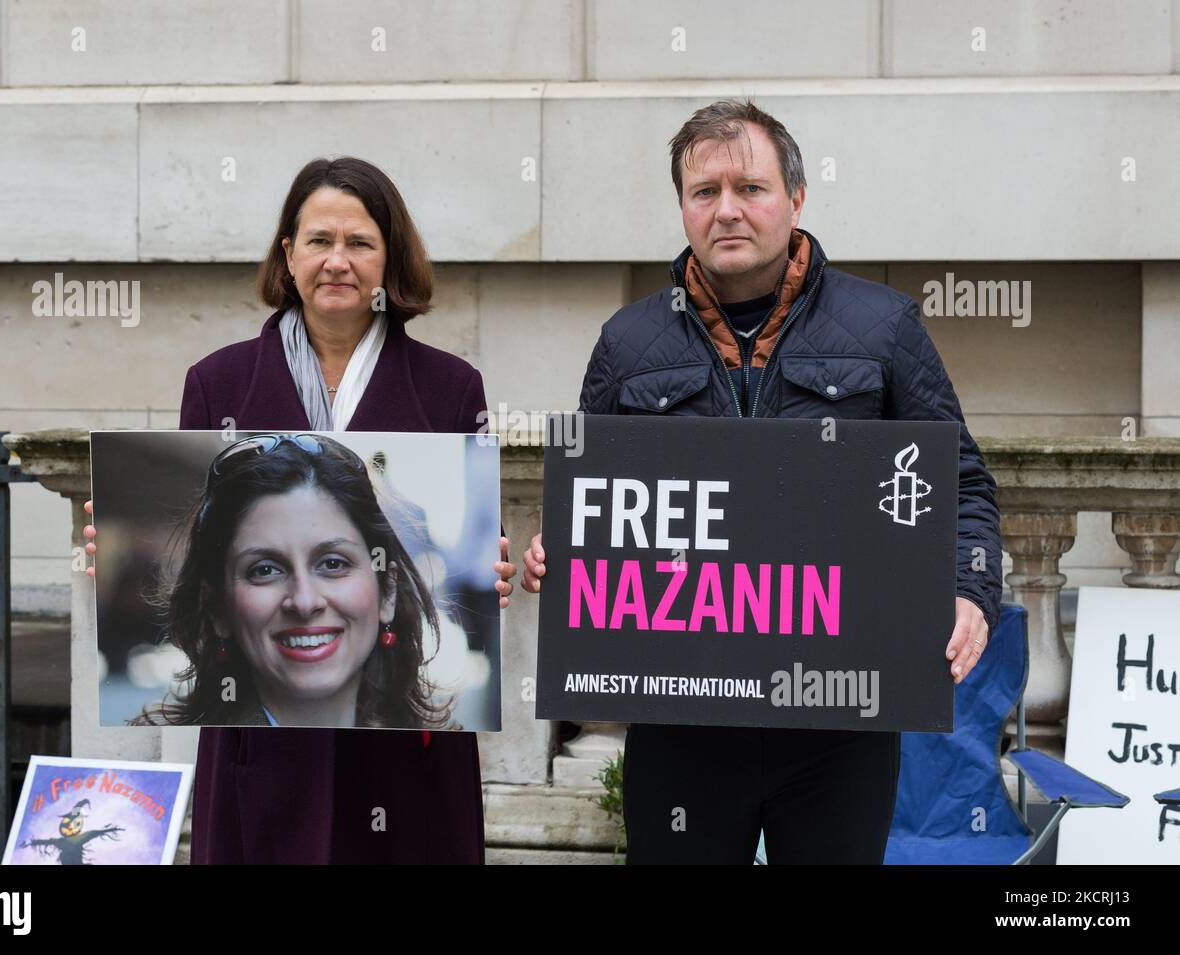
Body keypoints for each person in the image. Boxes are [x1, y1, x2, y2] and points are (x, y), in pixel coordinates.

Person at [520, 100, 1003, 864]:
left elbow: (963, 486)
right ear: (682, 206)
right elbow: (597, 498)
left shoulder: (883, 327)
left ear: (797, 198)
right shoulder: (629, 342)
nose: (727, 210)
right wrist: (566, 547)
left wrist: (970, 590)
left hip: (840, 713)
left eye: (750, 187)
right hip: (682, 717)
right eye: (704, 192)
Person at [86, 156, 517, 863]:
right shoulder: (217, 382)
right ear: (288, 255)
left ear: (390, 259)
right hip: (262, 745)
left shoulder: (449, 386)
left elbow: (475, 543)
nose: (337, 261)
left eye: (360, 243)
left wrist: (497, 566)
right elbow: (199, 546)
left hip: (403, 752)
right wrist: (117, 539)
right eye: (319, 240)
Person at [130, 432, 453, 730]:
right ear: (216, 608)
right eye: (265, 570)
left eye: (332, 563)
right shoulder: (150, 758)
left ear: (388, 592)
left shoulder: (447, 756)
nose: (304, 601)